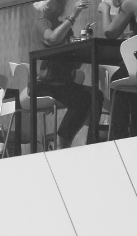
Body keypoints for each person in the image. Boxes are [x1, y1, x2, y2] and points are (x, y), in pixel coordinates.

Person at [33, 0, 104, 148]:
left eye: (63, 2)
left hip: (64, 83)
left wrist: (83, 44)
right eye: (58, 2)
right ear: (47, 5)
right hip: (46, 84)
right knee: (83, 98)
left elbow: (74, 62)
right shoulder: (41, 23)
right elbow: (52, 38)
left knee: (97, 95)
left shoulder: (65, 27)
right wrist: (73, 16)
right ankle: (62, 142)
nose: (62, 5)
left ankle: (92, 142)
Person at [99, 0, 137, 139]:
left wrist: (105, 9)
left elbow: (110, 33)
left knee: (119, 79)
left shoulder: (130, 3)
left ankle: (120, 137)